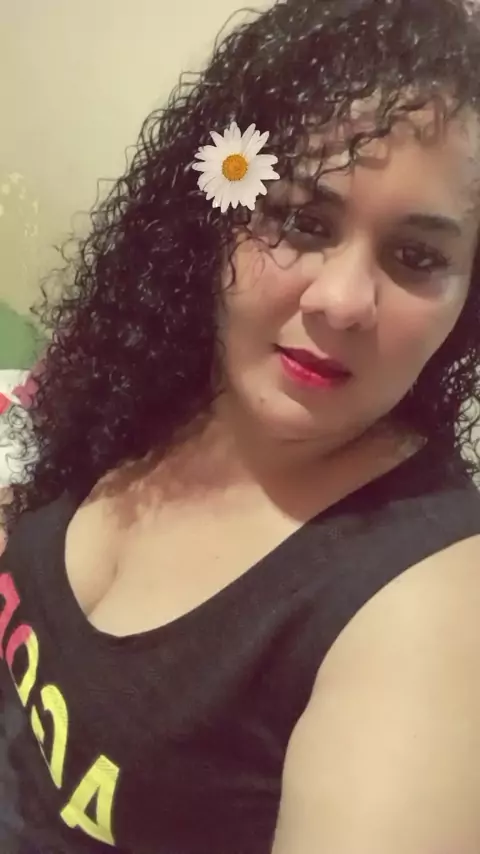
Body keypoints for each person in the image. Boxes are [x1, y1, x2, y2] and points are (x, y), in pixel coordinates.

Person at [1, 0, 480, 851]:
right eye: (300, 220)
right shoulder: (162, 381)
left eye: (416, 257)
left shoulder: (429, 612)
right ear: (217, 213)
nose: (341, 302)